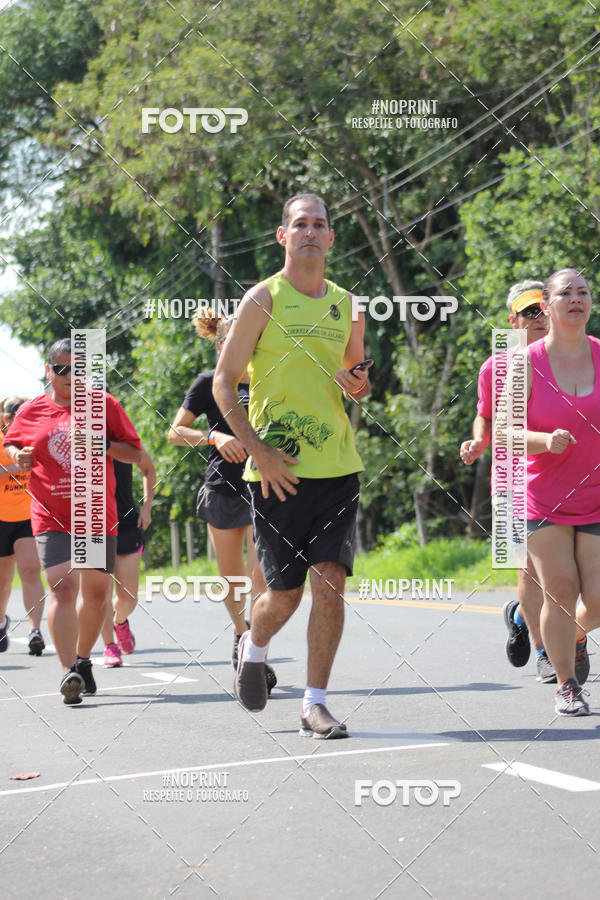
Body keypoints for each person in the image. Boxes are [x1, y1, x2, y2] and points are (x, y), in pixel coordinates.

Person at [213, 192, 371, 739]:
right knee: (283, 596)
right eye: (300, 224)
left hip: (337, 466)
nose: (310, 232)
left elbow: (357, 380)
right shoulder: (262, 299)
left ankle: (314, 703)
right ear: (283, 236)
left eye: (319, 224)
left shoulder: (348, 304)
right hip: (277, 471)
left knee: (331, 583)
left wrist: (358, 383)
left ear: (331, 237)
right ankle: (253, 647)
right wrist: (259, 452)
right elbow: (224, 382)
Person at [3, 339, 142, 704]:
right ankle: (69, 673)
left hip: (95, 514)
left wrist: (103, 446)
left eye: (78, 369)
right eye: (62, 369)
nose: (70, 376)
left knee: (95, 596)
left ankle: (83, 659)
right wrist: (19, 455)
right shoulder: (32, 410)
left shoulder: (104, 405)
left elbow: (134, 452)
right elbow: (11, 444)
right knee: (63, 587)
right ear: (48, 371)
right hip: (51, 515)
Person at [499, 268, 598, 716]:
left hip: (596, 495)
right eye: (565, 293)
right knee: (560, 589)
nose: (575, 299)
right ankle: (566, 685)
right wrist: (542, 441)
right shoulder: (526, 362)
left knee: (597, 599)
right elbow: (504, 434)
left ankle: (575, 634)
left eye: (583, 292)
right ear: (547, 306)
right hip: (545, 499)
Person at [168, 312, 276, 690]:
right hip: (223, 488)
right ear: (219, 346)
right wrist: (213, 437)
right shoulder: (208, 382)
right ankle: (240, 632)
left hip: (263, 485)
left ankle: (256, 650)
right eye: (232, 341)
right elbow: (175, 432)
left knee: (262, 574)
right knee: (233, 580)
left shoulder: (269, 378)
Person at [460, 282, 557, 682]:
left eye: (543, 310)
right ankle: (545, 653)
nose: (539, 318)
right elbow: (485, 416)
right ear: (512, 320)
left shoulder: (573, 359)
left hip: (566, 477)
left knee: (569, 572)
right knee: (530, 569)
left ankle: (519, 615)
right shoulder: (495, 368)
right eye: (529, 312)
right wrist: (477, 442)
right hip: (513, 482)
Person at [101, 449, 156, 667]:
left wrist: (147, 507)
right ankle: (110, 646)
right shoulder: (76, 440)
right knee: (100, 595)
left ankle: (120, 621)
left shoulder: (123, 441)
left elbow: (148, 469)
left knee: (128, 597)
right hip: (94, 527)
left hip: (127, 524)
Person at [0, 397, 46, 655]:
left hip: (28, 516)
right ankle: (1, 623)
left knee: (30, 571)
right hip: (1, 518)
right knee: (3, 581)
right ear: (6, 418)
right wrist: (17, 464)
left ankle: (34, 630)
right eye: (17, 415)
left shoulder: (35, 438)